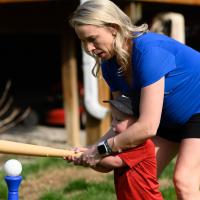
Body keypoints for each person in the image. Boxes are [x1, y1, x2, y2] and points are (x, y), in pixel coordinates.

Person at [67, 0, 200, 199]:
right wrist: (92, 151)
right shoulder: (110, 66)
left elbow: (147, 127)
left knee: (184, 181)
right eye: (84, 41)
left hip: (195, 111)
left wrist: (101, 149)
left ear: (113, 28)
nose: (89, 48)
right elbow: (123, 122)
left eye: (92, 39)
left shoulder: (148, 51)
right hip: (167, 121)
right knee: (135, 175)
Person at [74, 95, 163, 200]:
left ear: (137, 124)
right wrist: (86, 157)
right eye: (113, 119)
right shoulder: (120, 144)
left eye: (119, 120)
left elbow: (114, 162)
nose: (112, 124)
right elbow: (106, 168)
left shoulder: (144, 144)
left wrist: (89, 155)